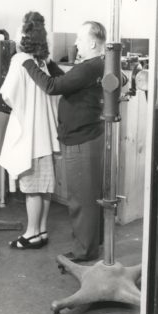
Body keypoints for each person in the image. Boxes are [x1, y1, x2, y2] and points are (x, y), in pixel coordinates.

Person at [22, 21, 106, 262]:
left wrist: (26, 62)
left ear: (92, 42)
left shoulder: (91, 66)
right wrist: (48, 63)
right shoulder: (96, 65)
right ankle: (92, 245)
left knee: (81, 200)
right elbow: (69, 81)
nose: (76, 43)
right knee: (88, 197)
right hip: (87, 138)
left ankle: (83, 252)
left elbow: (52, 86)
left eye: (80, 39)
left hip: (81, 140)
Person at [0, 11, 60, 249]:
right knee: (44, 187)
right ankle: (42, 231)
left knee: (32, 188)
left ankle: (31, 233)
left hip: (30, 135)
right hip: (46, 134)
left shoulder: (20, 59)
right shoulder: (43, 61)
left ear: (25, 33)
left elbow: (8, 94)